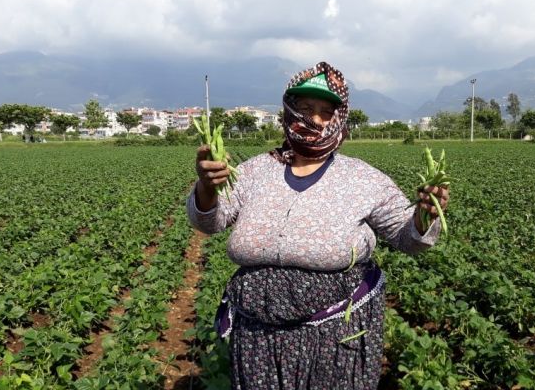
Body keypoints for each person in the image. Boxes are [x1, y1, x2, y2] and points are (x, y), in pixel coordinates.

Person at [186, 61, 449, 389]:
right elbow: (211, 221)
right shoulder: (253, 172)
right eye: (306, 108)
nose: (315, 119)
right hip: (256, 340)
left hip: (334, 339)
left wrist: (426, 214)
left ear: (340, 118)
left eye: (326, 112)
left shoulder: (362, 179)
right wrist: (206, 187)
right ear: (288, 111)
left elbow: (405, 236)